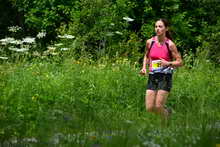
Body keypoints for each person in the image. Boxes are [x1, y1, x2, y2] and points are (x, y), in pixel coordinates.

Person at [140, 18, 183, 120]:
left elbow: (180, 62)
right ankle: (167, 113)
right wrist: (143, 68)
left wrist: (168, 63)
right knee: (149, 108)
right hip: (152, 75)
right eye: (156, 27)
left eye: (160, 26)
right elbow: (146, 56)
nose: (157, 29)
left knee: (158, 106)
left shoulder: (170, 44)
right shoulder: (150, 42)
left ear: (166, 29)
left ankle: (165, 124)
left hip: (165, 77)